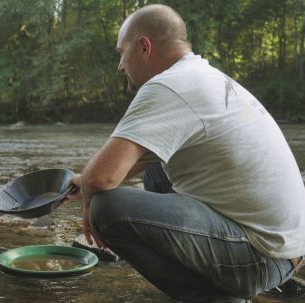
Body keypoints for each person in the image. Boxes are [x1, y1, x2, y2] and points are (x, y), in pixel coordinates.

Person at [67, 4, 305, 302]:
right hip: (287, 249)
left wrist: (90, 196)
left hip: (261, 259)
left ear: (143, 47)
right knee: (156, 167)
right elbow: (125, 165)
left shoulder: (169, 86)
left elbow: (102, 178)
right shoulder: (202, 76)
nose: (120, 65)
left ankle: (213, 297)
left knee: (107, 210)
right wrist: (83, 179)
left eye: (121, 52)